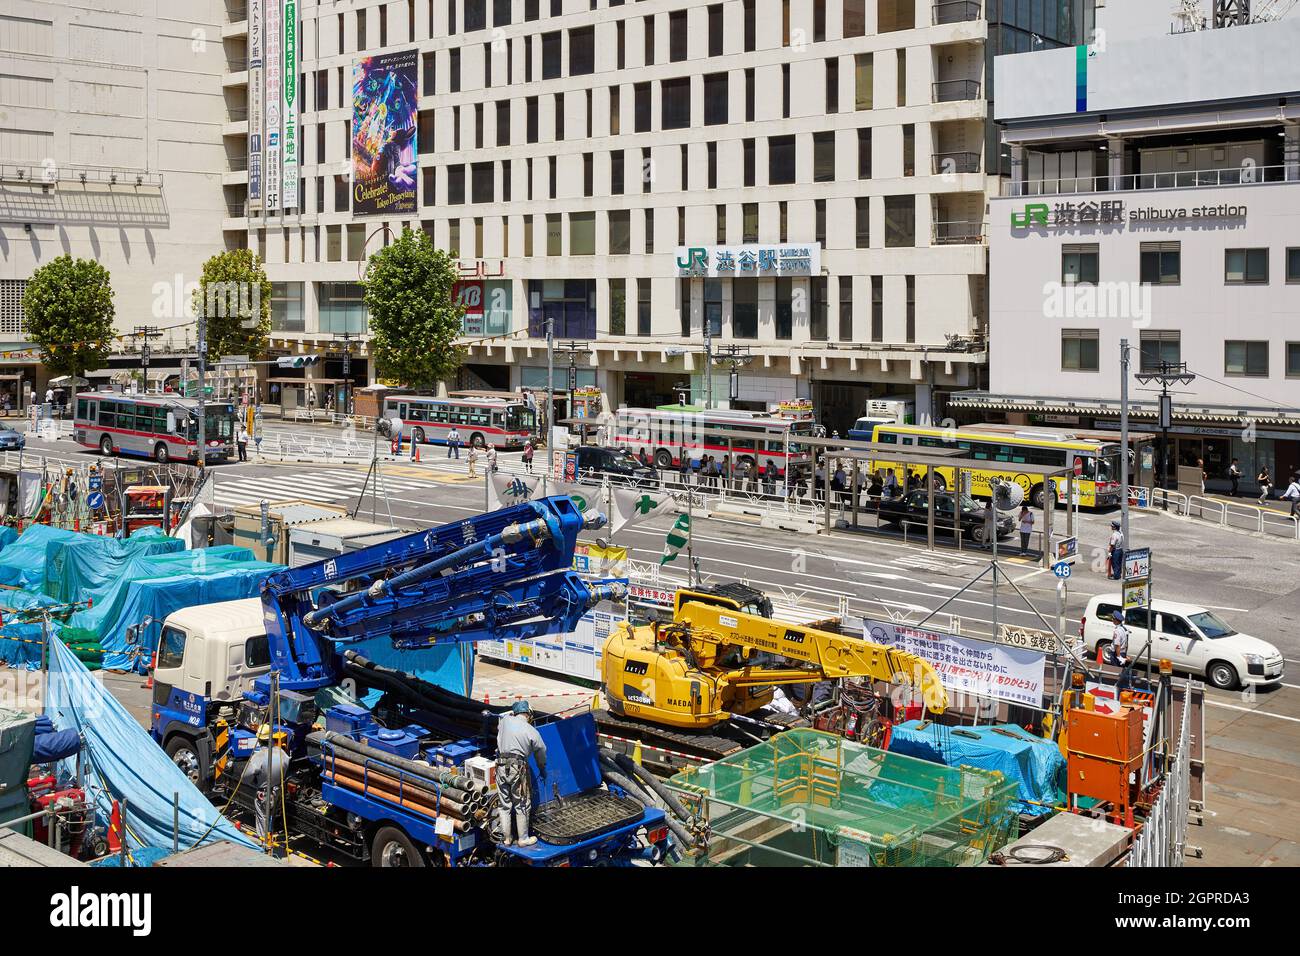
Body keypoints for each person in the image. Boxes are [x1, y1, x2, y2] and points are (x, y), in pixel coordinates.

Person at [496, 700, 548, 847]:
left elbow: (500, 725)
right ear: (529, 714)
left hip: (500, 766)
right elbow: (541, 751)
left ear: (515, 713)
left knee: (504, 804)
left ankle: (506, 838)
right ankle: (523, 838)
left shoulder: (505, 720)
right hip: (517, 768)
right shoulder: (531, 731)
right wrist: (542, 768)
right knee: (522, 804)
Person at [242, 725, 289, 845]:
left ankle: (264, 845)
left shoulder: (259, 756)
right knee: (271, 816)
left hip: (264, 792)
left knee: (262, 817)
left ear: (259, 740)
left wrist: (253, 782)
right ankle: (269, 840)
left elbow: (246, 775)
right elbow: (286, 766)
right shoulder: (282, 753)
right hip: (277, 790)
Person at [1108, 610, 1134, 693]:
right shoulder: (1124, 629)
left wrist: (1119, 656)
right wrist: (1124, 654)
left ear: (1116, 620)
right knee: (1121, 671)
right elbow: (1126, 643)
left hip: (1116, 654)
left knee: (1116, 672)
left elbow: (1117, 645)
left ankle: (1116, 689)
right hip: (1122, 652)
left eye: (1113, 618)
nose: (1112, 620)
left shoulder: (1117, 631)